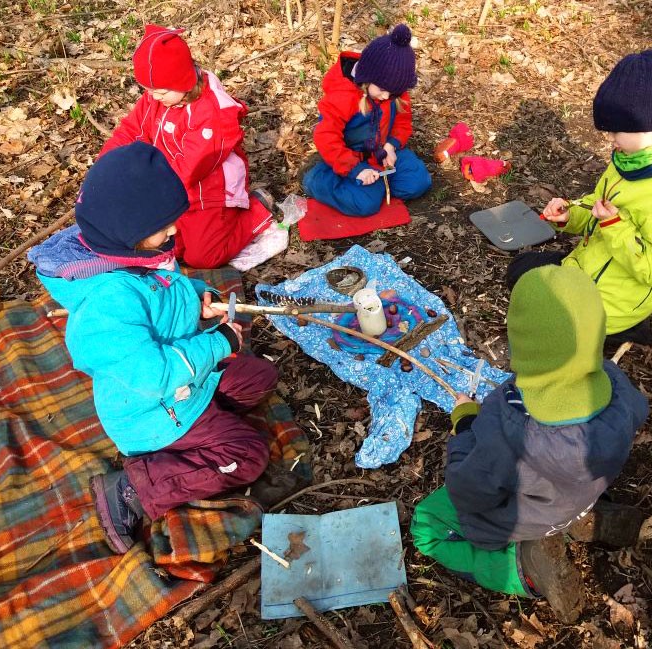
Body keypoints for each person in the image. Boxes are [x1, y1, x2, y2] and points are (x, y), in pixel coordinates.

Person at [29, 142, 278, 554]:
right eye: (165, 227)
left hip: (188, 384)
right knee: (249, 455)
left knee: (260, 378)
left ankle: (206, 424)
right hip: (156, 410)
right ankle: (136, 488)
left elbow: (171, 293)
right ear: (128, 230)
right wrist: (218, 343)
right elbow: (153, 375)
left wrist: (199, 298)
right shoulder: (107, 304)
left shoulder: (143, 254)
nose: (175, 232)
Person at [410, 265, 649, 623]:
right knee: (561, 503)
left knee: (425, 526)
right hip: (576, 496)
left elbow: (469, 492)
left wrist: (464, 424)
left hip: (524, 516)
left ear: (520, 343)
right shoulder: (619, 389)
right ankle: (585, 521)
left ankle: (524, 567)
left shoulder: (508, 424)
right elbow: (638, 413)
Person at [522, 49, 652, 346]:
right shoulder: (629, 160)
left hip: (613, 305)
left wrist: (614, 225)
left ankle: (626, 331)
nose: (610, 139)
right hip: (591, 268)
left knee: (540, 323)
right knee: (522, 271)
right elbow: (600, 203)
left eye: (616, 131)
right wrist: (571, 213)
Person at [99, 24, 274, 270]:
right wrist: (106, 166)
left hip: (210, 191)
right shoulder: (157, 98)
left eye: (159, 91)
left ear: (182, 81)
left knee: (203, 257)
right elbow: (132, 131)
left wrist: (146, 188)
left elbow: (190, 167)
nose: (153, 97)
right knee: (170, 247)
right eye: (148, 91)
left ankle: (257, 211)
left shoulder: (212, 115)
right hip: (171, 185)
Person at [303, 24, 432, 216]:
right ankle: (315, 178)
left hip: (380, 154)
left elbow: (402, 123)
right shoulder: (343, 96)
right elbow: (326, 137)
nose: (386, 96)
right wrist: (356, 170)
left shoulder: (393, 90)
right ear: (367, 77)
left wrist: (391, 145)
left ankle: (374, 185)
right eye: (381, 89)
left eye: (393, 92)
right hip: (348, 158)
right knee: (365, 204)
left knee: (418, 182)